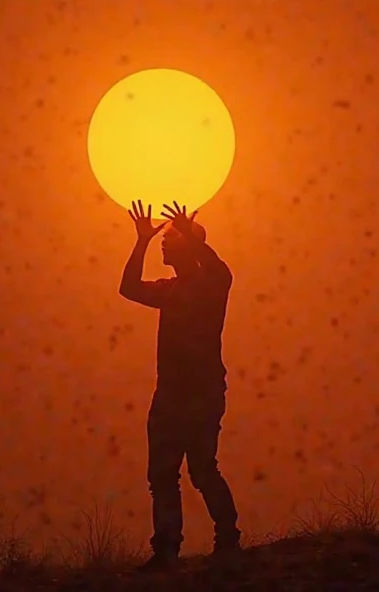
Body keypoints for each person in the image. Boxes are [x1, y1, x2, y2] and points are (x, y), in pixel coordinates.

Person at [118, 199, 242, 572]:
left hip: (201, 394)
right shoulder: (169, 290)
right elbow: (127, 288)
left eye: (170, 240)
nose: (163, 244)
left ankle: (228, 540)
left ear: (189, 246)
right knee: (162, 475)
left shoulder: (211, 287)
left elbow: (223, 271)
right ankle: (167, 551)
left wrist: (192, 235)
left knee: (202, 470)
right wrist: (140, 241)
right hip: (169, 396)